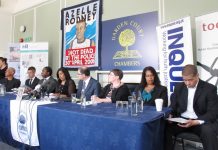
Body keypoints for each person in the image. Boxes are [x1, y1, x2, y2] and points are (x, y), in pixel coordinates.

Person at [165, 64, 218, 150]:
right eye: (185, 80)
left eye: (190, 80)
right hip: (182, 120)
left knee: (209, 131)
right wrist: (170, 115)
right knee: (163, 127)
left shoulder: (210, 89)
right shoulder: (179, 87)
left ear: (197, 76)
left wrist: (196, 122)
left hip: (199, 122)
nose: (187, 83)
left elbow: (213, 113)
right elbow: (173, 106)